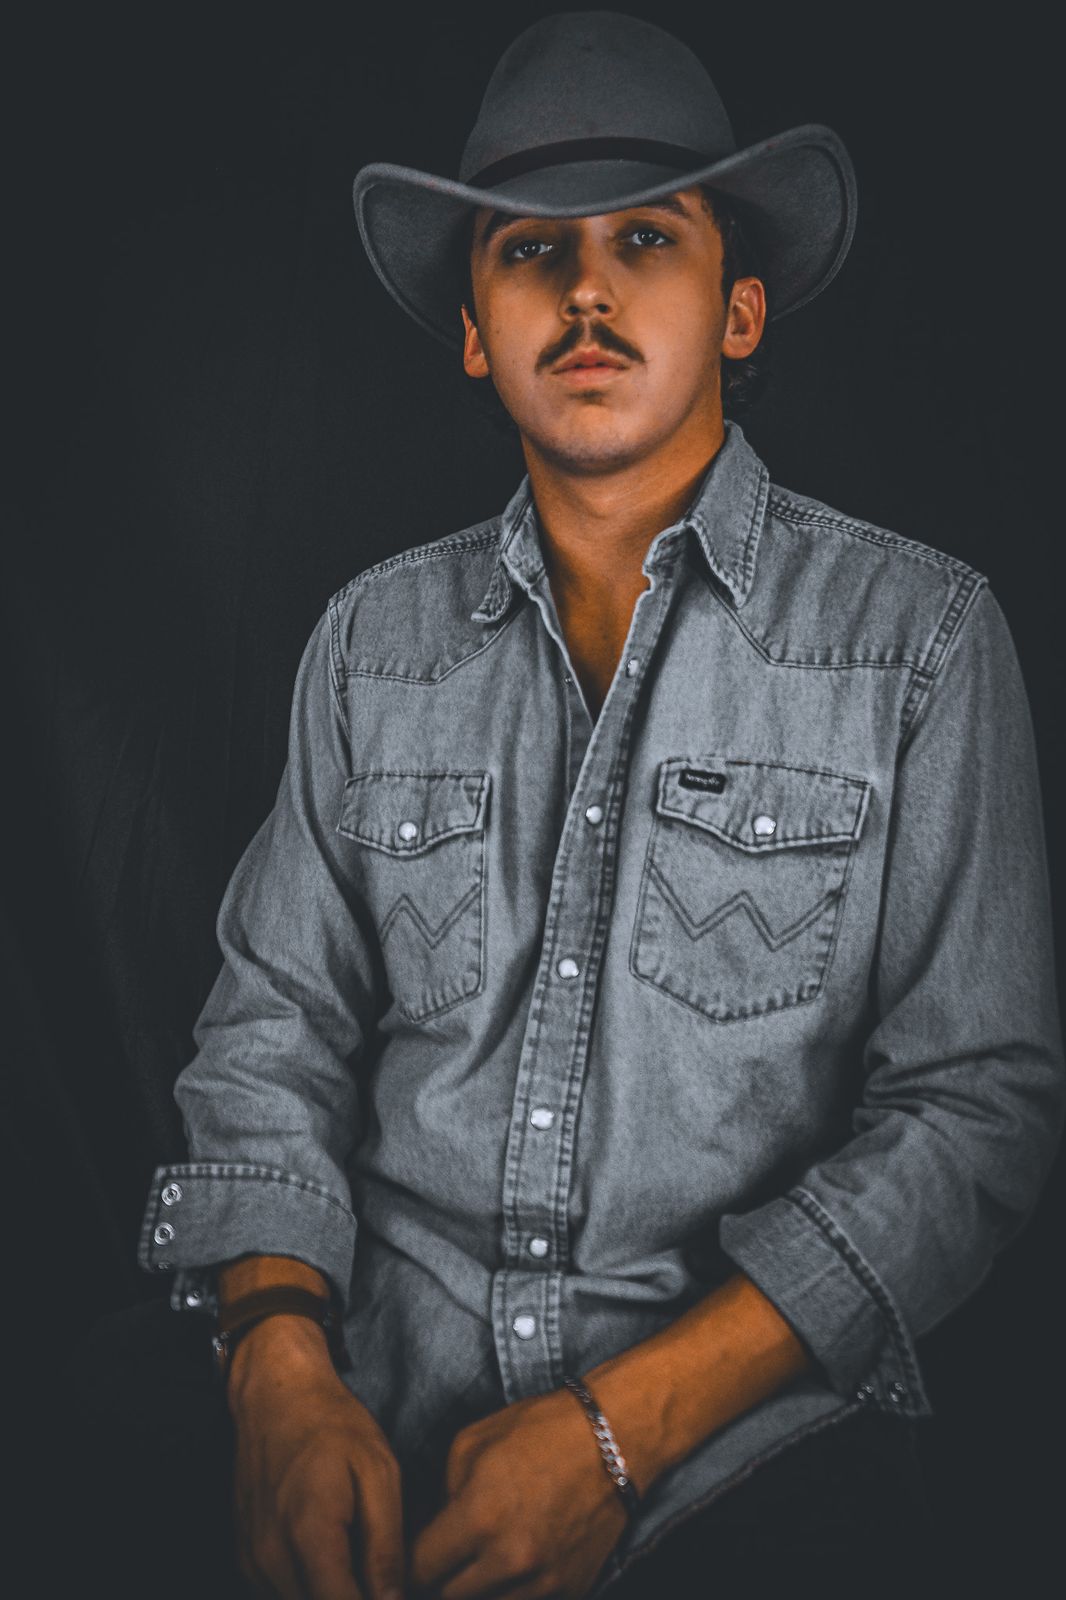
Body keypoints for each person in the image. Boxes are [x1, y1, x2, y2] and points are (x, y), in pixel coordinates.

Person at [114, 11, 1061, 1599]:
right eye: (530, 250)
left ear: (739, 307)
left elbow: (976, 1110)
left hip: (749, 1466)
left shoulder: (916, 641)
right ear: (473, 331)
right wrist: (277, 1372)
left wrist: (618, 1438)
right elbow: (273, 1033)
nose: (587, 291)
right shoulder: (370, 646)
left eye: (646, 237)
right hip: (374, 1425)